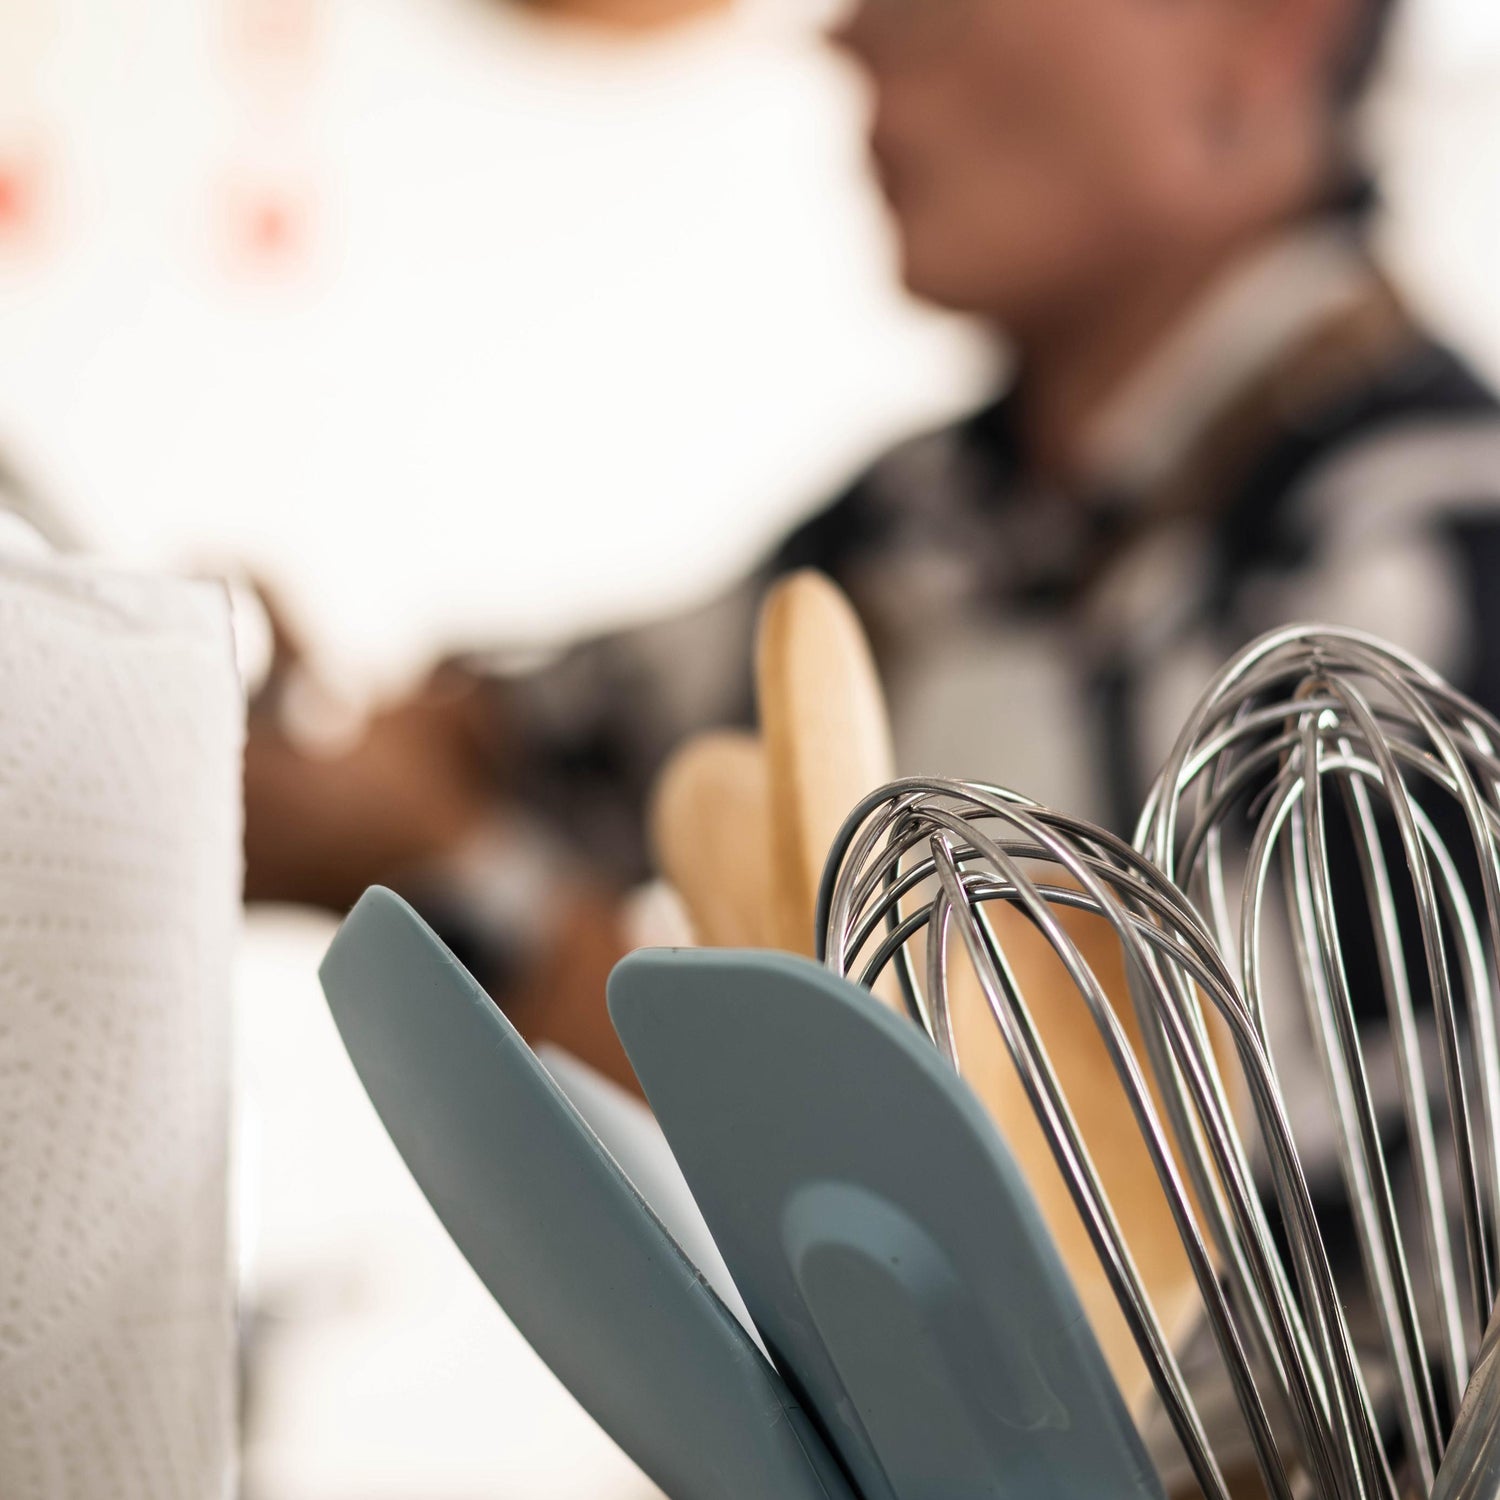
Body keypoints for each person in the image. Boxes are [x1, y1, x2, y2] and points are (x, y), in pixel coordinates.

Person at [246, 0, 1500, 1086]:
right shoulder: (941, 515)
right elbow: (546, 744)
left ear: (1263, 30)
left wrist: (472, 889)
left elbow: (1042, 1240)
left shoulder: (1433, 571)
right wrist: (356, 762)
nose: (843, 33)